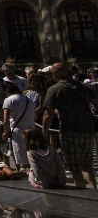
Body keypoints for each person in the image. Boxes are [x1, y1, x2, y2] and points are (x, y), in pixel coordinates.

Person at [40, 61, 98, 190]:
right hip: (88, 129)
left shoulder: (54, 89)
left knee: (75, 166)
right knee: (87, 164)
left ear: (55, 74)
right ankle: (94, 191)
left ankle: (82, 191)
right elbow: (95, 103)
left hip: (69, 131)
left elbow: (47, 114)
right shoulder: (83, 86)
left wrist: (44, 133)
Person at [2, 81, 33, 170]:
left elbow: (5, 120)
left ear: (7, 90)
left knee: (20, 155)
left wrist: (7, 131)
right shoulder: (28, 99)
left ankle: (22, 171)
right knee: (30, 152)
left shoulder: (9, 100)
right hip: (31, 128)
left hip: (18, 129)